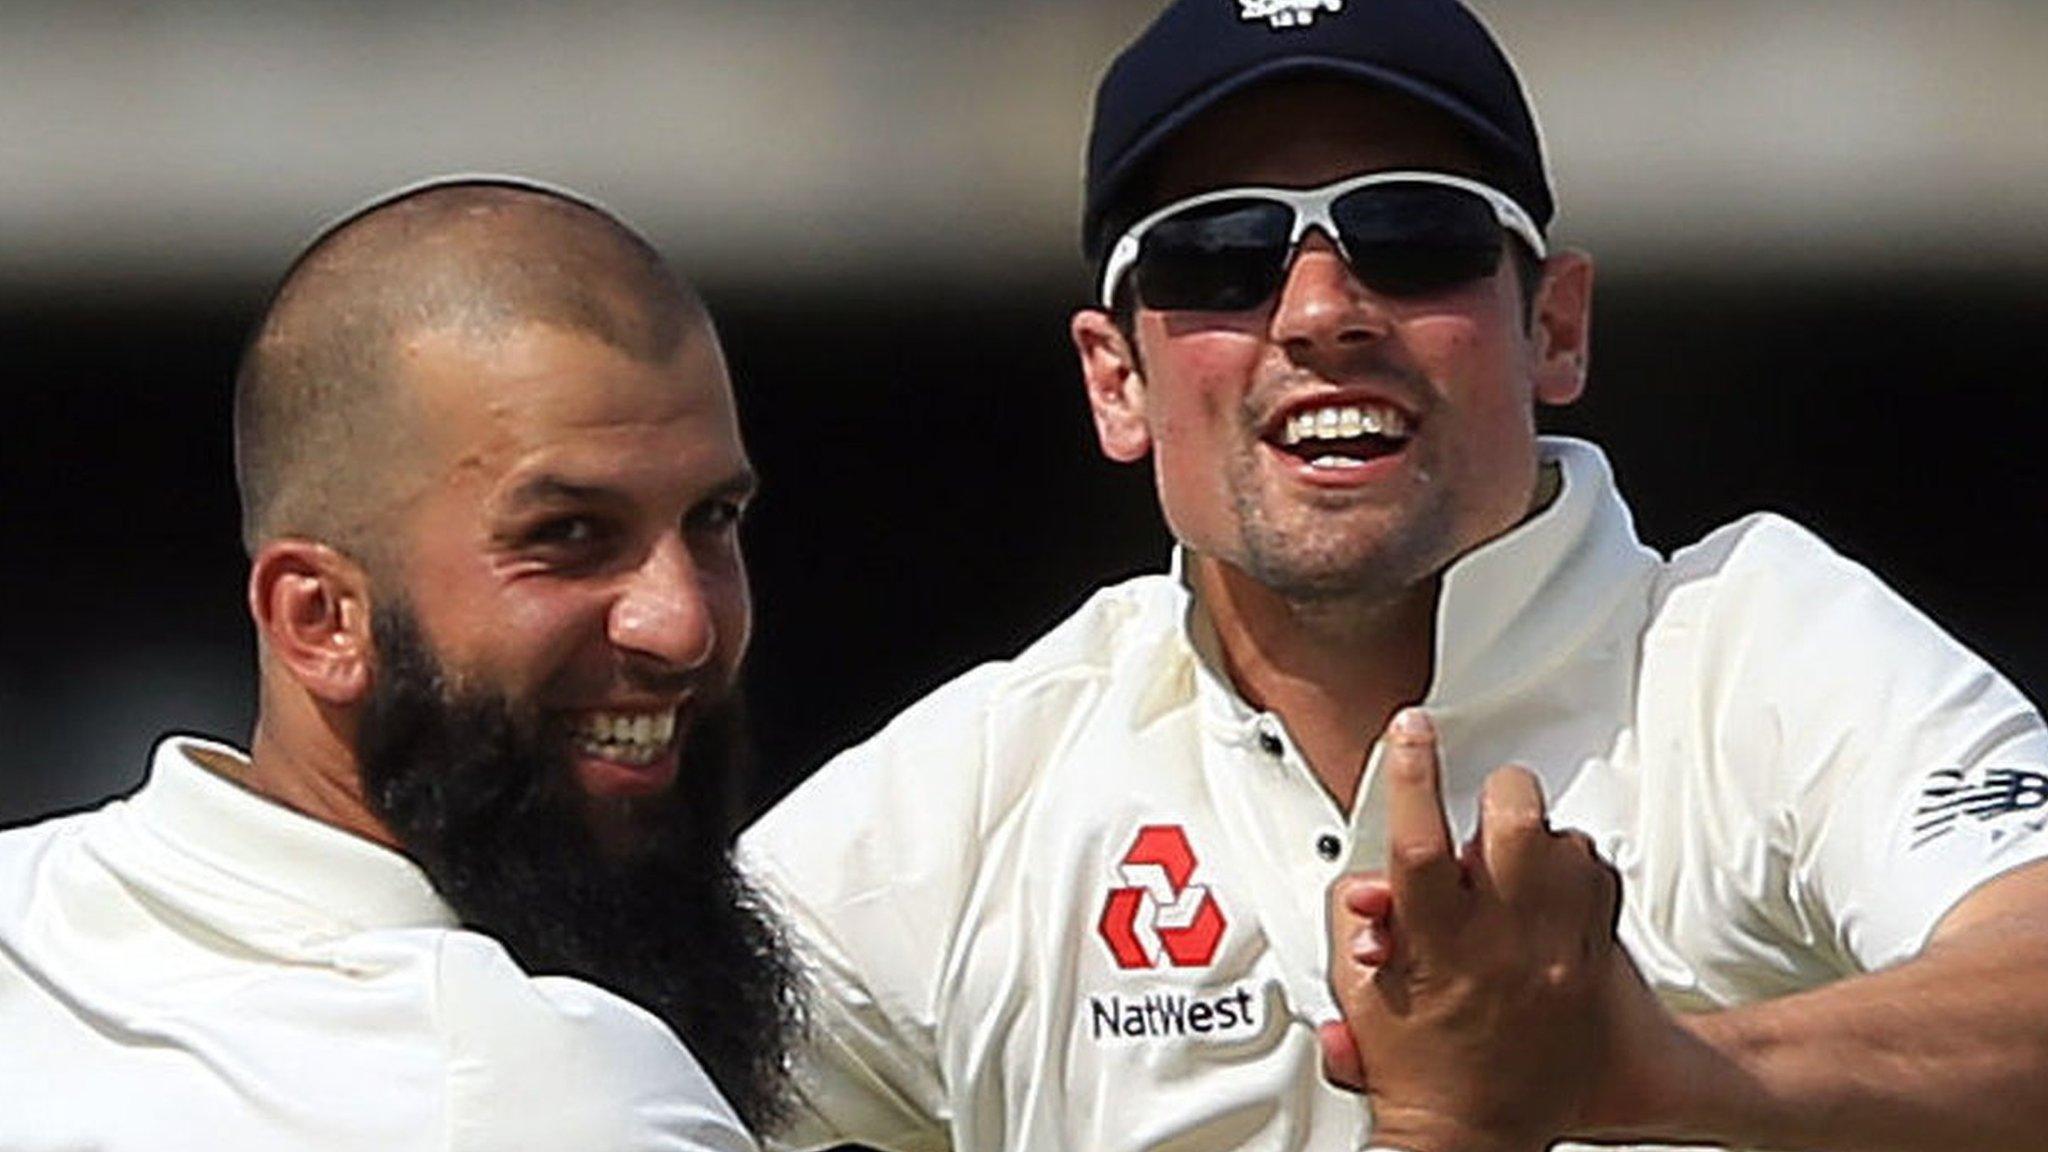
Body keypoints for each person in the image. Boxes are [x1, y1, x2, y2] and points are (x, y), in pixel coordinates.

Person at [739, 2, 2048, 1150]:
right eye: (1219, 257)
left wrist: (1659, 1073)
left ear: (1556, 325)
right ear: (1114, 377)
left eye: (1415, 235)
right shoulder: (987, 785)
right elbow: (596, 1078)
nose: (1319, 313)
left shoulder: (1751, 648)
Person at [0, 178, 798, 1150]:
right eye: (568, 535)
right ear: (320, 618)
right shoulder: (539, 1092)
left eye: (712, 519)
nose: (681, 626)